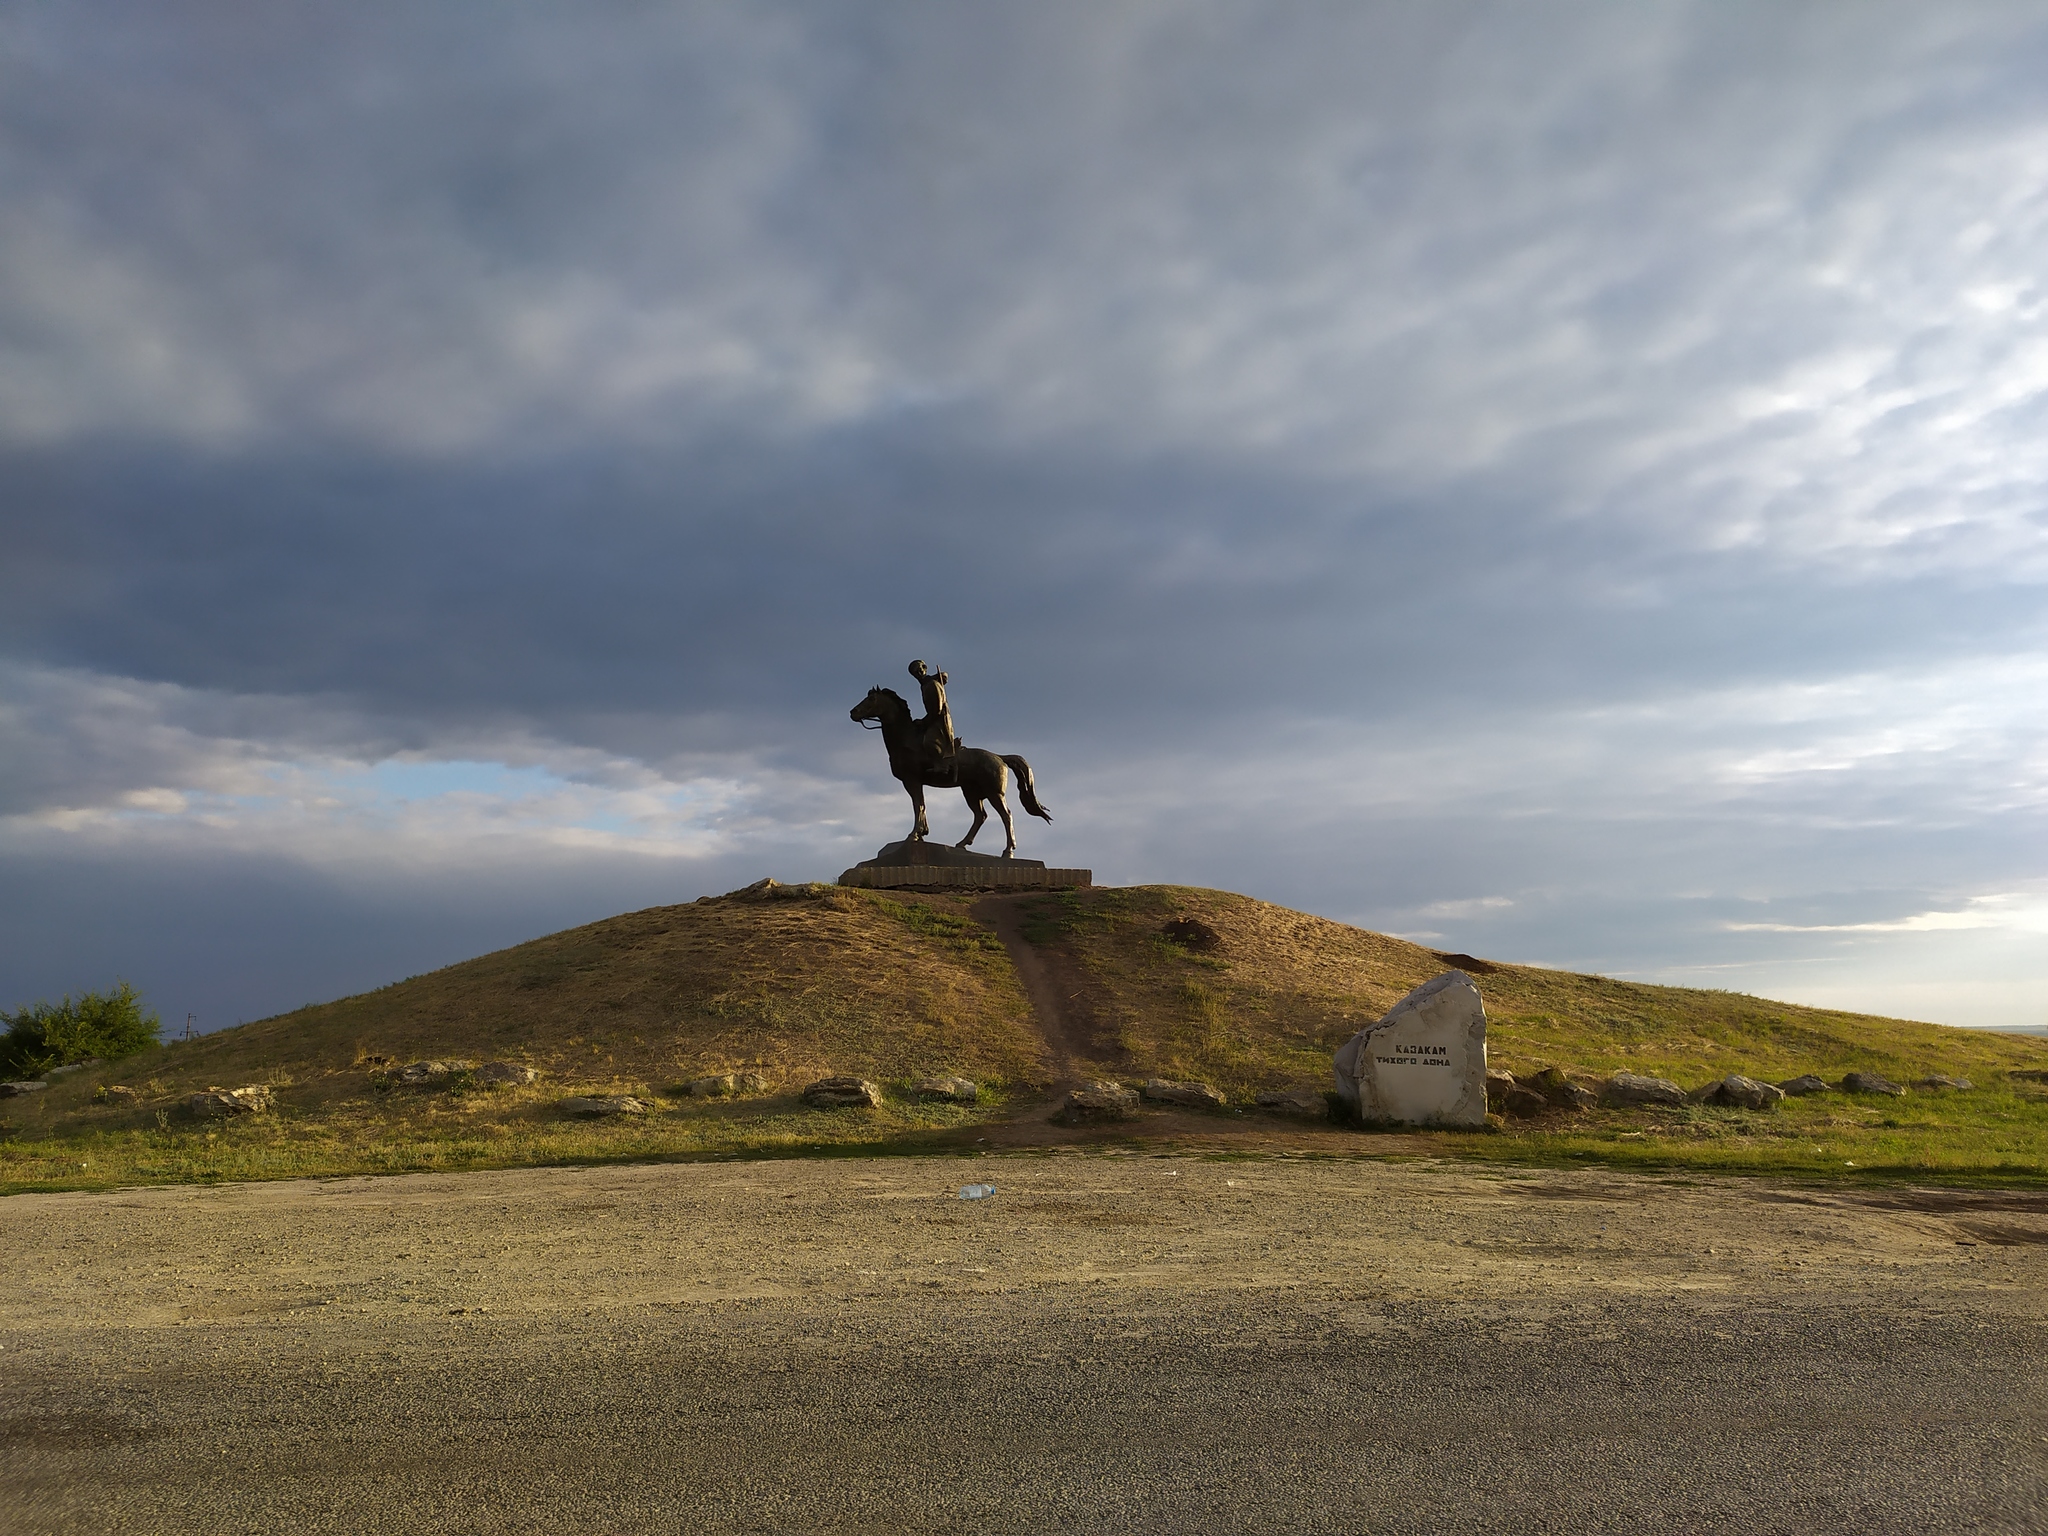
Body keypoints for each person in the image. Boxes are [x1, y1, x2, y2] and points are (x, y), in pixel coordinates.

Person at [907, 659, 960, 774]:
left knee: (930, 741)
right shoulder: (925, 685)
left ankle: (942, 766)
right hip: (934, 718)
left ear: (925, 668)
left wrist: (923, 722)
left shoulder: (931, 684)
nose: (918, 673)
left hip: (940, 720)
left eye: (920, 670)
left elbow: (937, 710)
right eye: (915, 672)